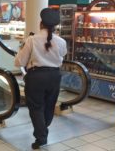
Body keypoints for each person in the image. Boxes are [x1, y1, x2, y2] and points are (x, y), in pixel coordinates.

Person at [14, 8, 67, 149]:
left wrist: (22, 48)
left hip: (36, 77)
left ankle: (41, 136)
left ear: (40, 24)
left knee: (36, 108)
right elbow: (62, 57)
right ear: (55, 27)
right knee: (49, 106)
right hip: (55, 76)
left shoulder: (31, 40)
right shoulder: (61, 41)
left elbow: (19, 62)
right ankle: (43, 128)